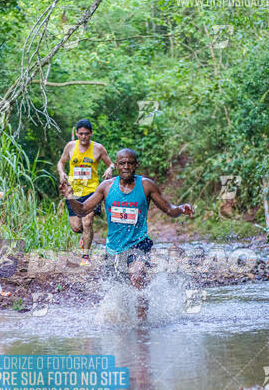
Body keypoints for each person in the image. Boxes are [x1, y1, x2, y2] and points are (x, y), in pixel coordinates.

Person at [60, 148, 194, 289]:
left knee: (137, 277)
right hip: (114, 247)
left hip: (139, 243)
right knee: (118, 290)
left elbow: (169, 210)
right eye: (122, 163)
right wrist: (70, 197)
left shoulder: (146, 185)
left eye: (130, 163)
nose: (126, 167)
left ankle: (142, 310)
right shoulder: (106, 187)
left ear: (136, 165)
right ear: (116, 165)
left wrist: (180, 208)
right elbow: (82, 210)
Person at [57, 118, 114, 265]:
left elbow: (111, 163)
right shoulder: (70, 146)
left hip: (92, 191)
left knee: (87, 221)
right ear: (76, 133)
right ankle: (85, 238)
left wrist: (110, 169)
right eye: (81, 134)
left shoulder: (98, 148)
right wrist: (61, 173)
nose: (84, 137)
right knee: (77, 227)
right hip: (73, 191)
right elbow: (61, 162)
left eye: (87, 134)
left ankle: (86, 257)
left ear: (91, 133)